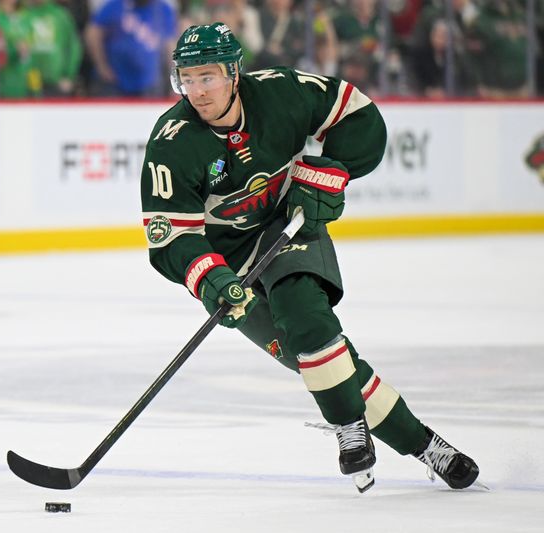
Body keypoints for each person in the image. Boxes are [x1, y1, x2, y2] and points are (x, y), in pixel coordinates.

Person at [140, 22, 481, 493]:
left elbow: (359, 116)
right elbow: (170, 238)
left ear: (235, 73)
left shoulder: (282, 93)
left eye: (209, 77)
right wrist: (211, 279)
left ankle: (348, 430)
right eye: (188, 79)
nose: (197, 91)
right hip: (229, 263)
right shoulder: (173, 142)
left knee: (306, 316)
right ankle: (426, 446)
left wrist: (328, 172)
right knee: (320, 359)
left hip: (289, 222)